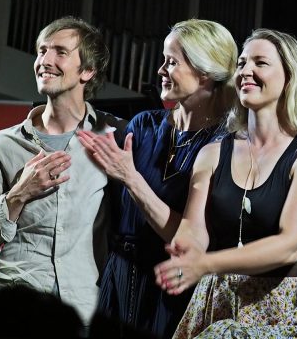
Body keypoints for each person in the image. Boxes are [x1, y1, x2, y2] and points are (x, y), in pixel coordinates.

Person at [154, 28, 297, 338]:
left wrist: (207, 263)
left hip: (280, 304)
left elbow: (290, 245)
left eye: (260, 63)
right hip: (217, 297)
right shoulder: (213, 153)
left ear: (291, 77)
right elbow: (195, 230)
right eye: (241, 63)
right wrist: (188, 248)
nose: (246, 71)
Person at [76, 19, 238, 338]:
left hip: (171, 287)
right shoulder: (144, 125)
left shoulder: (225, 146)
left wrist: (131, 178)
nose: (161, 70)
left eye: (172, 61)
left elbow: (188, 240)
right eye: (163, 60)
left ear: (204, 72)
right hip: (119, 276)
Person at [0, 16, 123, 327]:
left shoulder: (112, 136)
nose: (45, 61)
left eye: (60, 52)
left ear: (88, 71)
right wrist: (18, 194)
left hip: (81, 309)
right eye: (41, 51)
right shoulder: (4, 144)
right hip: (13, 306)